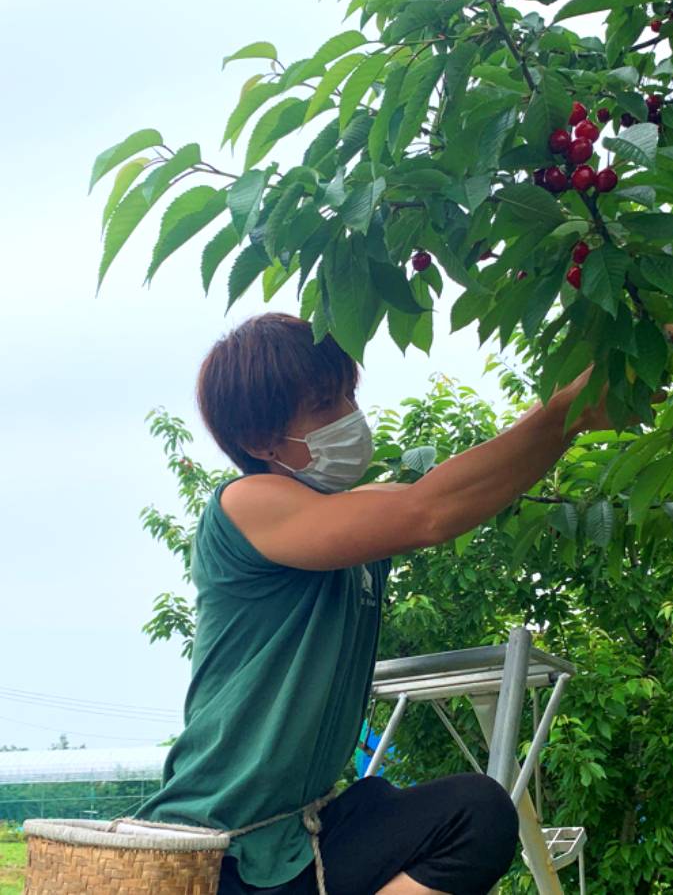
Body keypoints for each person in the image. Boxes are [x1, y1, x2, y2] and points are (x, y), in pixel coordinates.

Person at [133, 312, 621, 895]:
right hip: (223, 847)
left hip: (301, 836)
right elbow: (428, 513)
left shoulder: (344, 518)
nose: (349, 418)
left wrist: (578, 411)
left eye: (348, 396)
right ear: (261, 441)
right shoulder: (249, 502)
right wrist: (568, 410)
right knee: (472, 813)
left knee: (476, 814)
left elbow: (443, 493)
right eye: (323, 405)